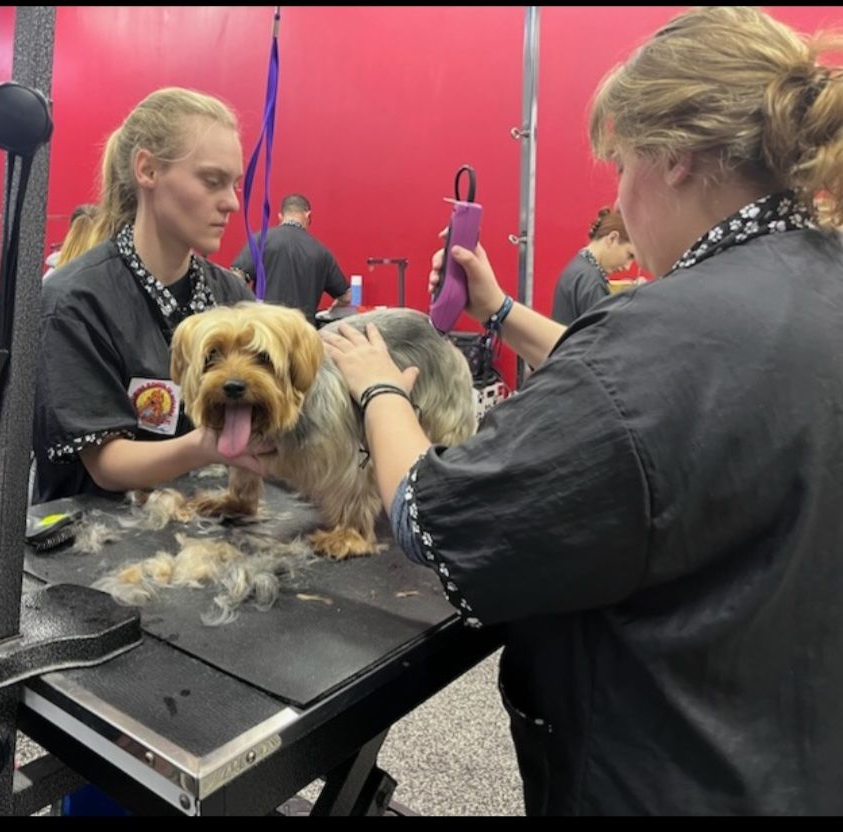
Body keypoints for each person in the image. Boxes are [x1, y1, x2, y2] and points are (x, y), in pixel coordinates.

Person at [319, 6, 843, 815]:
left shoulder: (659, 340)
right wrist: (497, 309)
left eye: (620, 164)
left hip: (669, 779)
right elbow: (661, 393)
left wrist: (378, 383)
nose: (622, 197)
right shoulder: (807, 284)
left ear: (671, 156)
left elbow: (428, 516)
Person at [33, 87, 269, 502]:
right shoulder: (73, 302)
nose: (232, 203)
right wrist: (205, 447)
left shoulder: (231, 295)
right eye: (213, 181)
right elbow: (106, 465)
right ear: (148, 170)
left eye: (234, 184)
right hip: (94, 545)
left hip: (206, 525)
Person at [230, 193, 351, 326]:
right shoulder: (322, 252)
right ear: (308, 216)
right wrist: (332, 309)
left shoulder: (261, 239)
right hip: (302, 333)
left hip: (265, 330)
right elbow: (346, 297)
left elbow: (235, 278)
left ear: (280, 216)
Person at [550, 206, 637, 324]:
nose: (627, 267)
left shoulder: (578, 269)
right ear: (612, 238)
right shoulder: (592, 282)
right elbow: (604, 337)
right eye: (630, 255)